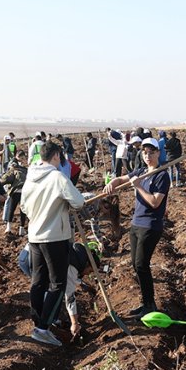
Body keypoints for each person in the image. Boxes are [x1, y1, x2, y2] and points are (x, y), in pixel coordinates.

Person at [21, 140, 86, 347]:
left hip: (34, 237)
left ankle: (38, 319)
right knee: (58, 284)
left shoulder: (30, 176)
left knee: (38, 281)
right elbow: (79, 202)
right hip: (55, 238)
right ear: (56, 156)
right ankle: (43, 328)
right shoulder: (57, 176)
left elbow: (23, 206)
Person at [104, 137, 171, 318]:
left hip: (150, 226)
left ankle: (150, 304)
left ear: (158, 153)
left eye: (151, 152)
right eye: (145, 152)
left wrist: (139, 186)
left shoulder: (162, 175)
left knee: (142, 264)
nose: (147, 155)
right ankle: (145, 303)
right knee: (135, 264)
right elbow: (120, 179)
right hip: (135, 224)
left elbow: (155, 202)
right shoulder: (140, 171)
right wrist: (113, 183)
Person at [17, 241, 98, 340]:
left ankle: (48, 321)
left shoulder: (76, 254)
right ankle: (43, 325)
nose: (86, 274)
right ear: (87, 264)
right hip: (30, 259)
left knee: (48, 288)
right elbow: (70, 297)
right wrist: (74, 323)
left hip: (28, 252)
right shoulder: (73, 266)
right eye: (89, 271)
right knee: (53, 291)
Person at [0, 153, 28, 236]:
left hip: (18, 192)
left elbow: (4, 179)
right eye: (21, 158)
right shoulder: (23, 169)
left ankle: (12, 228)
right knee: (19, 210)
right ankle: (18, 229)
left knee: (15, 210)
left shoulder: (15, 169)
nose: (22, 160)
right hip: (20, 192)